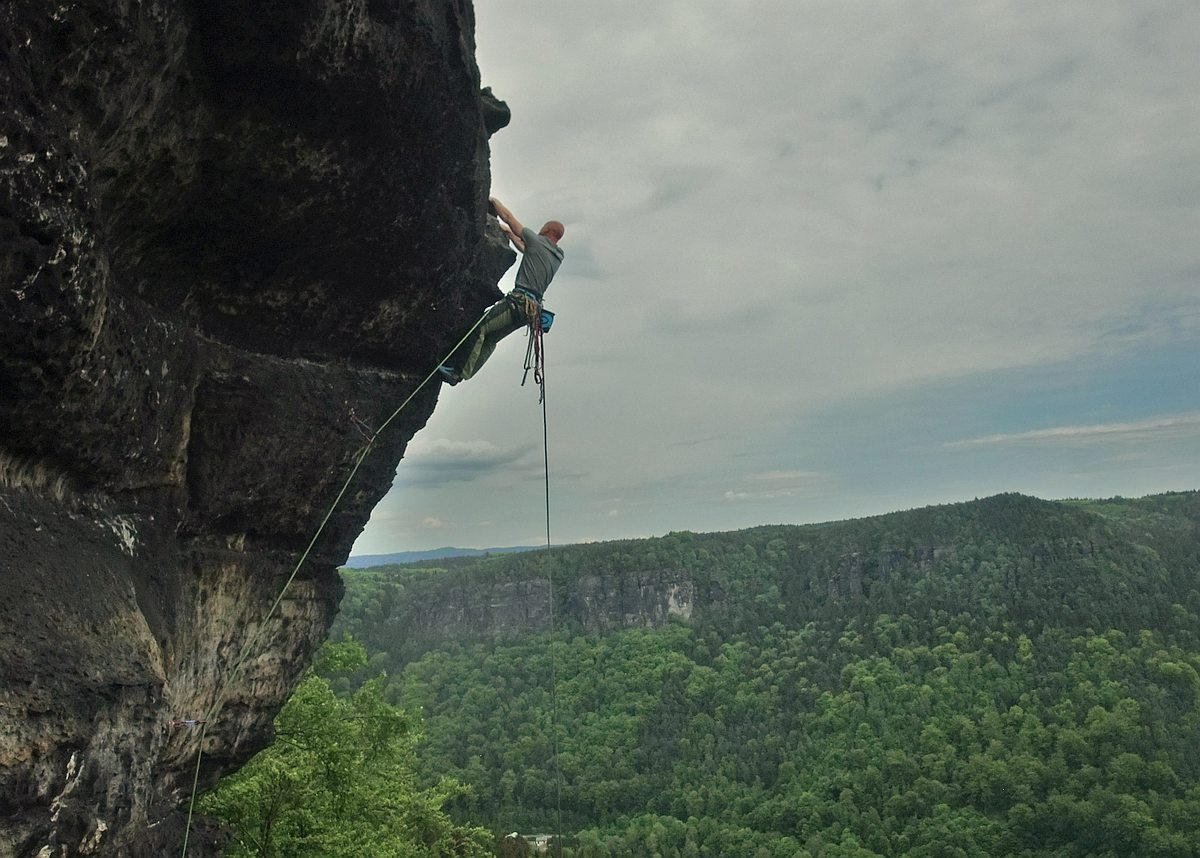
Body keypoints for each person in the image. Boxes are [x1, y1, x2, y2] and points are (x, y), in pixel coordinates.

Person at [438, 197, 565, 385]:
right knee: (490, 340)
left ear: (545, 231)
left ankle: (457, 372)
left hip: (519, 302)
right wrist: (510, 236)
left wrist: (491, 200)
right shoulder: (557, 256)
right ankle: (465, 373)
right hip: (530, 312)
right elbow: (526, 250)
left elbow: (507, 217)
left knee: (480, 328)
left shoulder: (537, 241)